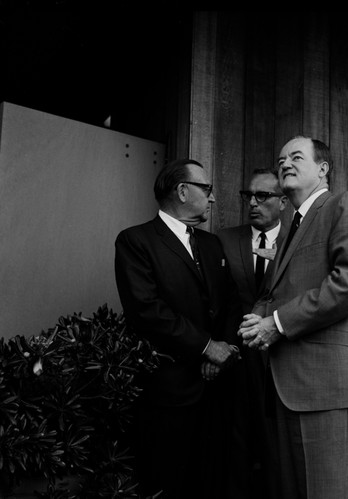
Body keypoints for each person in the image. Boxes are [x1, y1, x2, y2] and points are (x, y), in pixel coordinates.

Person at [238, 135, 348, 499]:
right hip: (288, 385)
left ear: (323, 169)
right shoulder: (293, 224)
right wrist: (258, 318)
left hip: (330, 385)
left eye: (296, 157)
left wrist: (277, 324)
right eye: (281, 158)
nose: (285, 163)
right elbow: (276, 292)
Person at [114, 158, 243, 499]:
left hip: (216, 391)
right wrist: (205, 346)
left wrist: (223, 349)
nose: (212, 198)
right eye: (207, 189)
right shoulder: (135, 241)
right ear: (183, 191)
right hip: (169, 395)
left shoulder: (213, 244)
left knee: (212, 484)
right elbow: (147, 311)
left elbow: (231, 302)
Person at [217, 167, 288, 499]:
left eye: (263, 196)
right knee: (236, 445)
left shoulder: (297, 240)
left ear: (283, 201)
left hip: (281, 361)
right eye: (249, 196)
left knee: (277, 448)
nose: (253, 203)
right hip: (236, 362)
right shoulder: (224, 239)